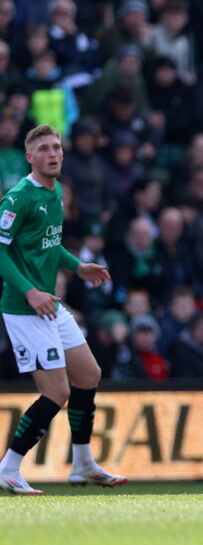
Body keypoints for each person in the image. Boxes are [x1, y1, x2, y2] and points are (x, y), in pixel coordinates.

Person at [0, 125, 126, 495]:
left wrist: (77, 267)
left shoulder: (55, 194)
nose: (53, 154)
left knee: (88, 374)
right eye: (43, 149)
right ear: (30, 157)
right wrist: (29, 292)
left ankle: (83, 463)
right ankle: (8, 467)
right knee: (56, 391)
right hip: (24, 309)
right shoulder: (18, 197)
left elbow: (48, 245)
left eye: (56, 147)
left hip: (49, 304)